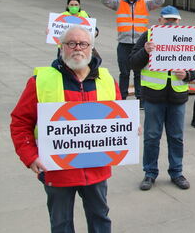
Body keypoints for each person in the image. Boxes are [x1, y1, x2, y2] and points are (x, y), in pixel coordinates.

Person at [10, 25, 120, 233]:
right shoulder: (40, 82)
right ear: (61, 47)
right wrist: (30, 156)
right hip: (57, 171)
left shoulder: (107, 80)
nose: (77, 48)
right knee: (61, 225)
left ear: (91, 48)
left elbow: (118, 118)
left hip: (96, 170)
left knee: (100, 221)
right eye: (71, 43)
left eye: (83, 44)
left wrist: (130, 128)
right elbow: (20, 121)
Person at [129, 6, 195, 191]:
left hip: (177, 97)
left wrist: (187, 75)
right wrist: (145, 51)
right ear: (159, 20)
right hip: (154, 96)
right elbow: (133, 63)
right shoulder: (148, 36)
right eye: (167, 19)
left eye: (174, 20)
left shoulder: (188, 38)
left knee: (176, 137)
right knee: (151, 137)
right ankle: (150, 173)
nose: (170, 23)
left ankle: (176, 172)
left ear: (179, 21)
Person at [101, 0, 164, 101]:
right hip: (124, 43)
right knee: (124, 73)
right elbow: (104, 0)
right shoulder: (118, 3)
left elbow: (159, 1)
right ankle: (122, 98)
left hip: (139, 44)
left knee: (138, 73)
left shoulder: (145, 4)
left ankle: (140, 98)